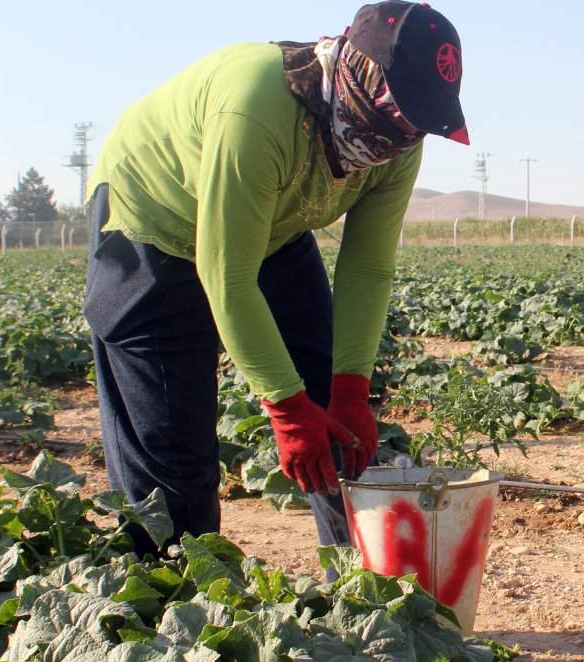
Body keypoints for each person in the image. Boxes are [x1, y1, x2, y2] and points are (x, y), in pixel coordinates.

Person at [83, 1, 467, 558]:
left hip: (274, 231)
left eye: (418, 122)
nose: (404, 135)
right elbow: (227, 274)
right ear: (362, 80)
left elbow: (367, 268)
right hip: (154, 222)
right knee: (174, 458)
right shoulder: (256, 109)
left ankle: (361, 590)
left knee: (336, 418)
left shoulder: (400, 140)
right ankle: (165, 595)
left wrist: (350, 390)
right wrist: (286, 409)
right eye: (400, 116)